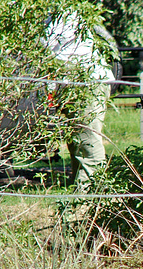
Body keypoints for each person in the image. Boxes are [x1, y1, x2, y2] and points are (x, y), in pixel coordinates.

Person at [44, 12, 116, 189]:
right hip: (73, 83)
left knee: (88, 139)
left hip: (86, 83)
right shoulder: (57, 15)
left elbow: (44, 52)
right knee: (76, 141)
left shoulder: (60, 17)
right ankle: (78, 191)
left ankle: (90, 194)